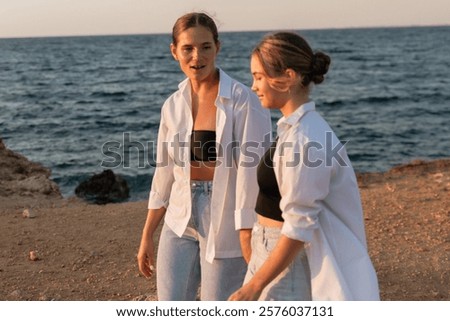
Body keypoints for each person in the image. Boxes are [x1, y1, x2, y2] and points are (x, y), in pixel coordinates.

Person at [228, 31, 380, 301]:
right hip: (270, 249)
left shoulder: (305, 138)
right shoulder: (294, 128)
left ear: (288, 77)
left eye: (259, 77)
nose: (253, 86)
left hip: (286, 259)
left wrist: (254, 287)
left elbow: (298, 227)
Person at [137, 12, 272, 301]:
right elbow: (164, 175)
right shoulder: (172, 106)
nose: (197, 56)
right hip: (179, 217)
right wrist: (148, 233)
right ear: (174, 51)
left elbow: (254, 175)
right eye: (188, 48)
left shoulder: (244, 100)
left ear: (217, 48)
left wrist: (248, 234)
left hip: (225, 218)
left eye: (206, 47)